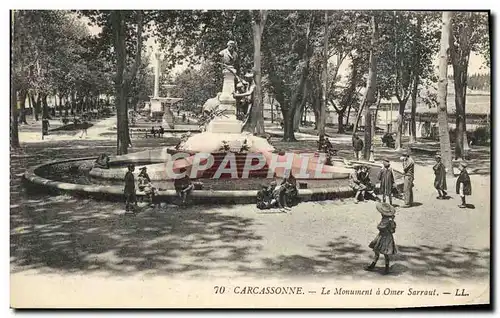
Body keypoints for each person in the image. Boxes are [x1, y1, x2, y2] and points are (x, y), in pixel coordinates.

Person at [365, 202, 398, 275]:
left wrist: (388, 226)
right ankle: (380, 266)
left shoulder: (386, 221)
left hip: (384, 237)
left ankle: (380, 266)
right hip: (385, 237)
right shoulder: (389, 221)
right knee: (380, 252)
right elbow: (393, 231)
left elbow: (380, 227)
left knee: (382, 252)